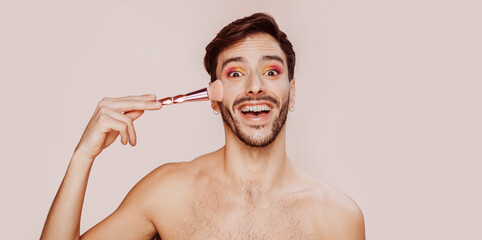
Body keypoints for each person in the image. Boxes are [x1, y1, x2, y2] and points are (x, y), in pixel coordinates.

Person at [41, 12, 365, 240]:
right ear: (213, 97)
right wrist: (82, 156)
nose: (255, 86)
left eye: (271, 72)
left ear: (291, 92)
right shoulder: (169, 192)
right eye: (235, 74)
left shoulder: (338, 218)